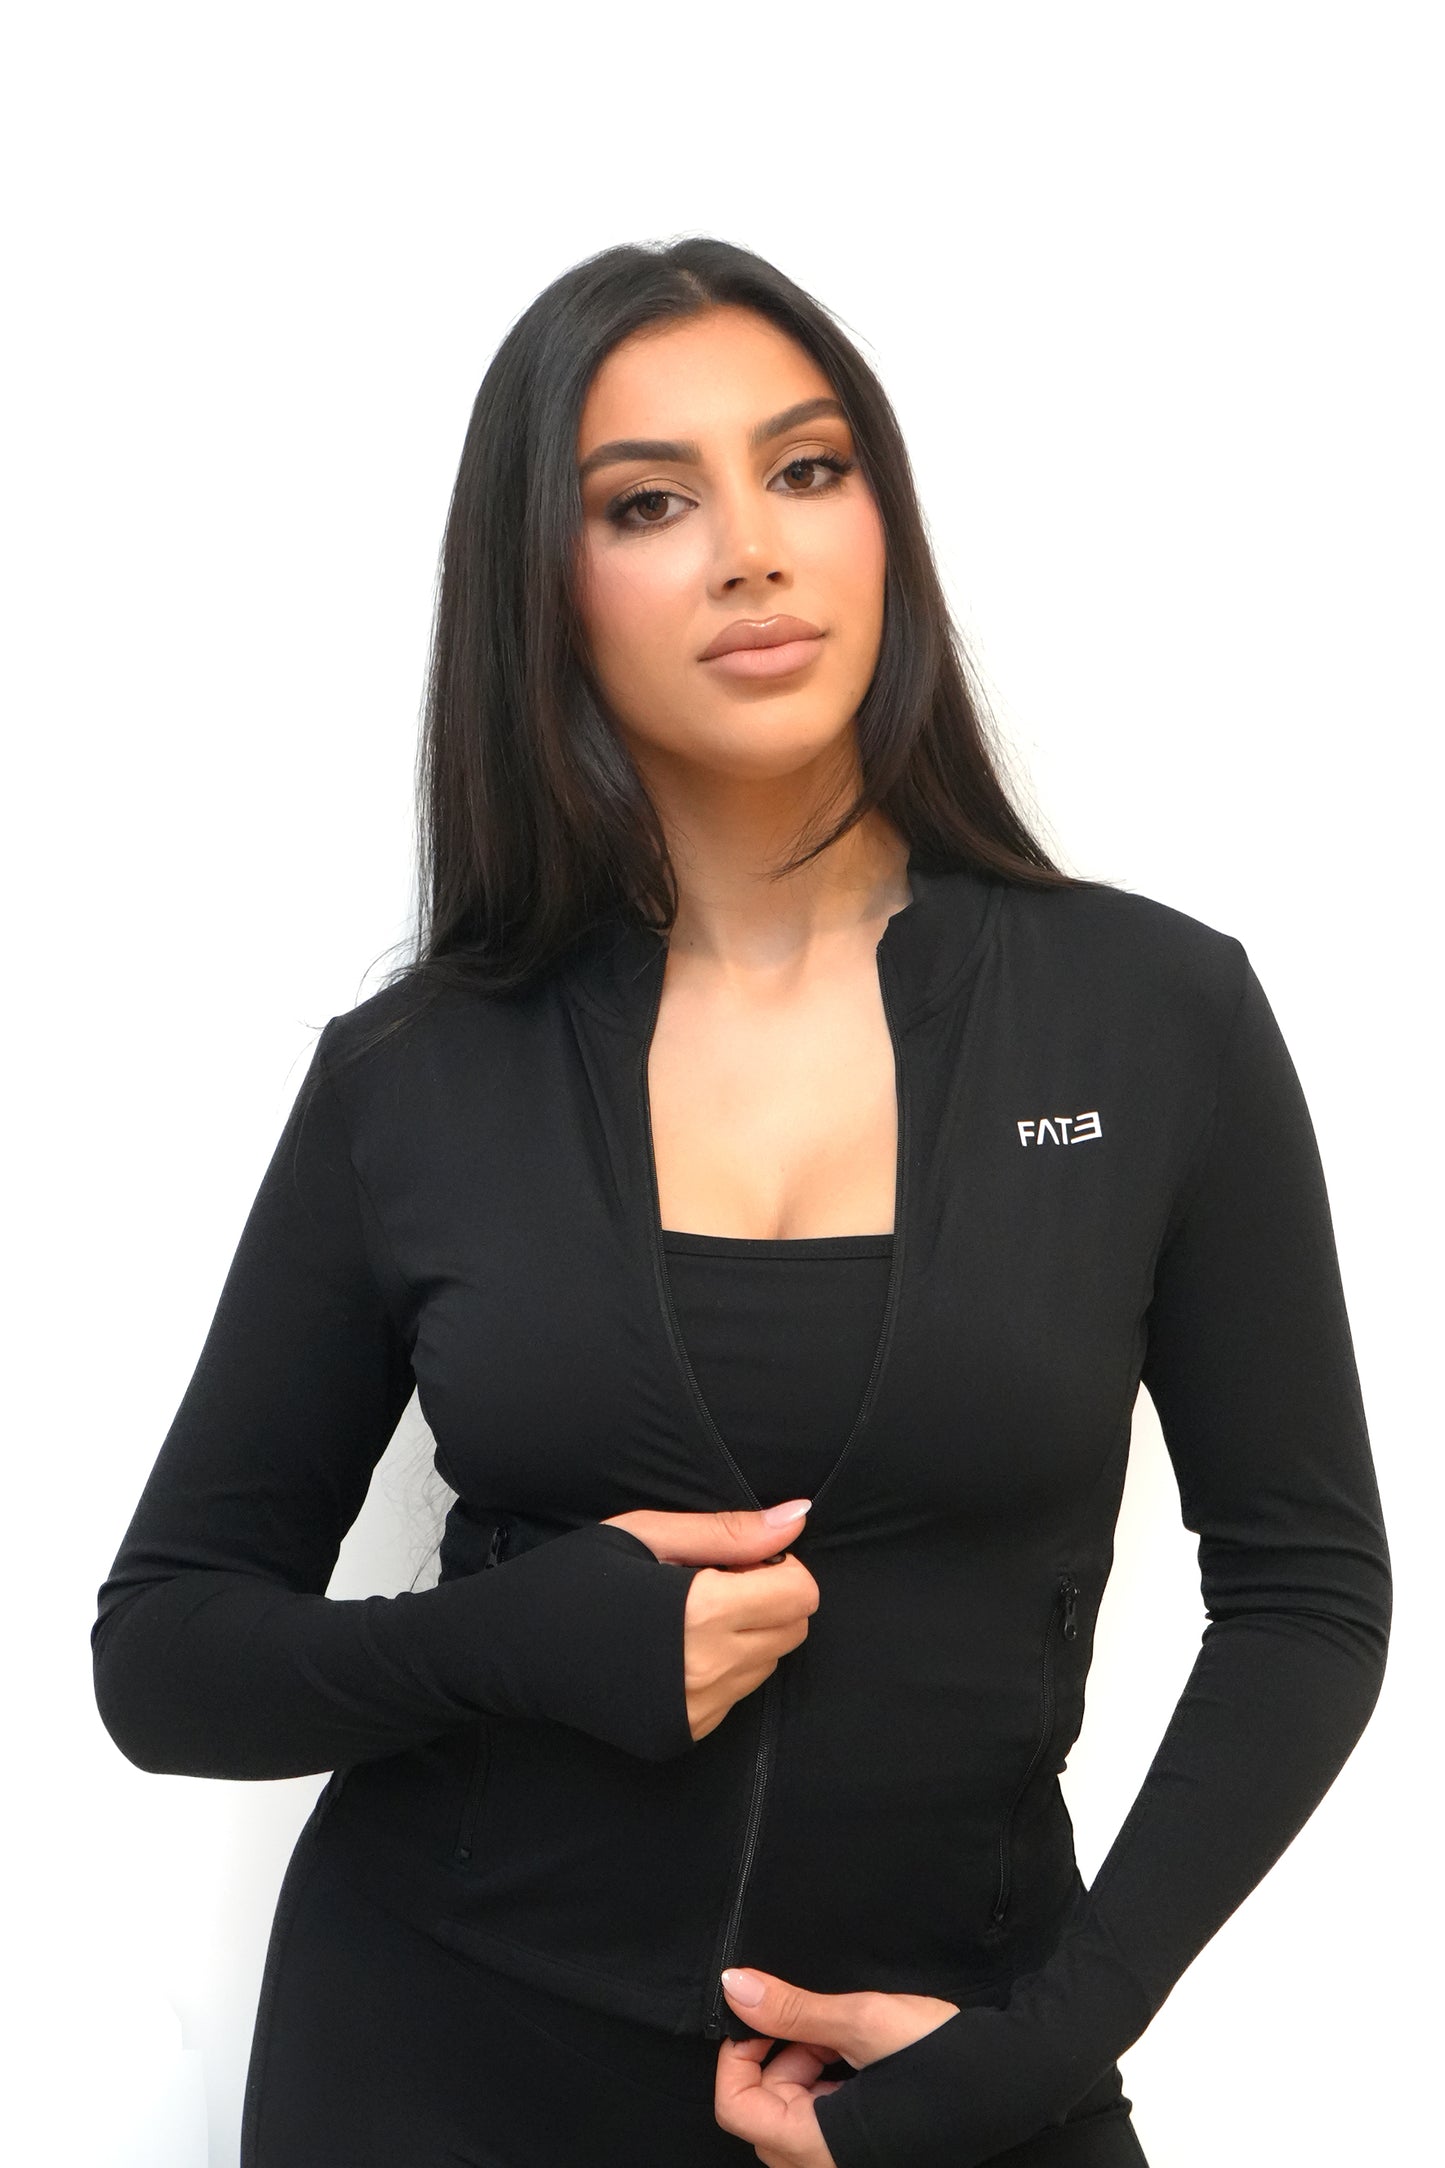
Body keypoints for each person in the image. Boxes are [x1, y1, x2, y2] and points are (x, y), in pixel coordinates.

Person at [90, 236, 1392, 2168]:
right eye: (647, 503)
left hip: (952, 2074)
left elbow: (1303, 1593)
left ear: (883, 522)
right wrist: (516, 1638)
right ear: (545, 590)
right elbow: (165, 1655)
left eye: (804, 469)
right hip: (441, 2061)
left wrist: (1039, 2048)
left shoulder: (1151, 1013)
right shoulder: (415, 1073)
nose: (751, 552)